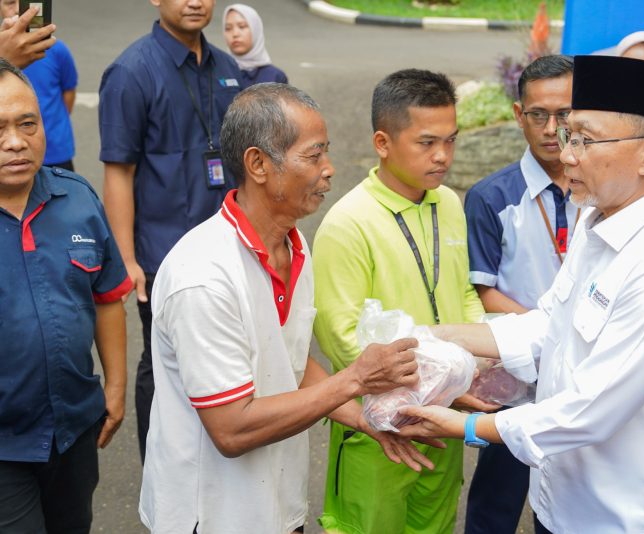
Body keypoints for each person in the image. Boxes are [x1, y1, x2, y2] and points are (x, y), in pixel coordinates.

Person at [397, 55, 644, 534]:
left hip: (624, 514)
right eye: (570, 136)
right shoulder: (597, 219)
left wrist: (461, 426)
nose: (566, 155)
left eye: (585, 140)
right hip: (560, 497)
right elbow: (550, 323)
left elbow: (590, 411)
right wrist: (432, 336)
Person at [139, 83, 436, 534]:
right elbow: (231, 430)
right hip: (212, 515)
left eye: (326, 153)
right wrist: (354, 380)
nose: (329, 170)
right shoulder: (202, 276)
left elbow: (291, 361)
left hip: (278, 506)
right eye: (313, 156)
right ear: (258, 164)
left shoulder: (293, 245)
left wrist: (365, 419)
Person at [312, 68, 489, 534]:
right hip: (378, 425)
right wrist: (432, 389)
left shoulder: (448, 202)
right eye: (427, 143)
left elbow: (463, 293)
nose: (443, 156)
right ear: (383, 142)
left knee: (435, 524)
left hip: (444, 417)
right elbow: (340, 336)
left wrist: (479, 364)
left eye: (450, 140)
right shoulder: (348, 222)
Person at [99, 0, 243, 461]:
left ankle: (216, 466)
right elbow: (119, 170)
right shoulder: (130, 71)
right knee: (163, 365)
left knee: (226, 356)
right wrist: (126, 259)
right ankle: (162, 475)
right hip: (163, 255)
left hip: (228, 246)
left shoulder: (227, 67)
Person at [0, 58, 131, 533]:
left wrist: (115, 387)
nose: (16, 142)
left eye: (27, 123)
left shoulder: (77, 199)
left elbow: (107, 297)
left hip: (74, 429)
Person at [462, 54, 576, 534]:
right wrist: (549, 333)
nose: (552, 128)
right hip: (517, 375)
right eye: (538, 115)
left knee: (570, 493)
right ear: (517, 114)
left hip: (581, 372)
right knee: (499, 494)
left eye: (565, 114)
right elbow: (485, 293)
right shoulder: (492, 196)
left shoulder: (603, 189)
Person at [2, 0, 78, 171]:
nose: (18, 10)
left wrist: (57, 125)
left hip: (56, 150)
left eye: (25, 2)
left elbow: (68, 91)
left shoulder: (56, 49)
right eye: (10, 3)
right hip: (9, 155)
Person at [223, 3, 287, 88]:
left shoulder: (275, 77)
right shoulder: (217, 73)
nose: (235, 34)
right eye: (228, 28)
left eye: (242, 26)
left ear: (256, 30)